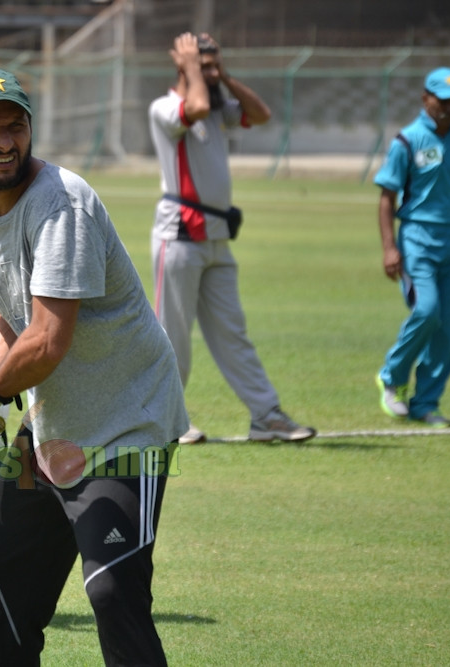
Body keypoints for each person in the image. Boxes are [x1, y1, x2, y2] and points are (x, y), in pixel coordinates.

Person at [0, 65, 188, 666]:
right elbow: (14, 311)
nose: (5, 141)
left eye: (15, 125)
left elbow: (48, 339)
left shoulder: (62, 205)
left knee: (114, 592)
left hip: (126, 421)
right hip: (55, 424)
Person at [148, 32, 315, 445]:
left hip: (217, 237)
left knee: (232, 332)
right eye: (202, 64)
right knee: (172, 333)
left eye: (214, 63)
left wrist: (225, 76)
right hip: (180, 234)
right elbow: (197, 103)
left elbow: (261, 114)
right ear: (183, 67)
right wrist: (192, 70)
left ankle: (266, 416)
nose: (210, 71)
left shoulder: (217, 106)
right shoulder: (166, 108)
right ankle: (167, 418)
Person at [374, 67, 450, 426]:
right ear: (425, 99)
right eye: (443, 99)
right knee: (427, 311)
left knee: (447, 327)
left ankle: (426, 403)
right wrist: (390, 248)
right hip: (418, 237)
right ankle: (392, 376)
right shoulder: (407, 140)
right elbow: (387, 197)